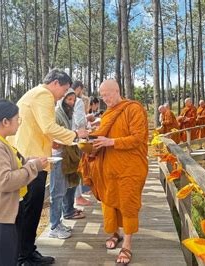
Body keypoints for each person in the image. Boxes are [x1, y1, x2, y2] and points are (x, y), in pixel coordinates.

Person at [9, 69, 88, 265]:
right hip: (32, 160)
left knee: (29, 209)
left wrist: (51, 140)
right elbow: (48, 127)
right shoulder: (44, 95)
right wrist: (76, 135)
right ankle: (24, 256)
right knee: (30, 209)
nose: (64, 94)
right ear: (54, 83)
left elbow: (39, 127)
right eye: (64, 89)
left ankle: (27, 251)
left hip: (29, 156)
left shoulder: (35, 94)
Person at [79, 80, 148, 265]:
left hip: (130, 168)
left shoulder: (133, 108)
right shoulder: (108, 113)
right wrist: (90, 137)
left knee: (127, 203)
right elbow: (103, 134)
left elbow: (138, 137)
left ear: (117, 91)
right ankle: (114, 233)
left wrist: (111, 142)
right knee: (109, 202)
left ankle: (127, 244)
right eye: (102, 95)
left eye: (107, 94)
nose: (104, 98)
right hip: (108, 168)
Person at [0, 100, 47, 266]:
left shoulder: (0, 141)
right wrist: (33, 167)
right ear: (5, 121)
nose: (19, 124)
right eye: (17, 119)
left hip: (5, 214)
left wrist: (27, 161)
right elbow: (4, 181)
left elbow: (10, 166)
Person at [49, 89, 84, 240]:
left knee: (63, 191)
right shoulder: (56, 113)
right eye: (69, 99)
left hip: (66, 154)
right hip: (57, 157)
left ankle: (59, 222)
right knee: (56, 193)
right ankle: (53, 226)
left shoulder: (68, 114)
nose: (72, 102)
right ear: (62, 99)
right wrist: (73, 136)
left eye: (73, 99)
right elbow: (53, 137)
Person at [71, 81, 93, 207]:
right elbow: (79, 122)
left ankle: (76, 197)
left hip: (67, 136)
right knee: (78, 168)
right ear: (79, 89)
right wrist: (87, 119)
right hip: (76, 136)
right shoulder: (78, 101)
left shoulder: (60, 101)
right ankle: (78, 197)